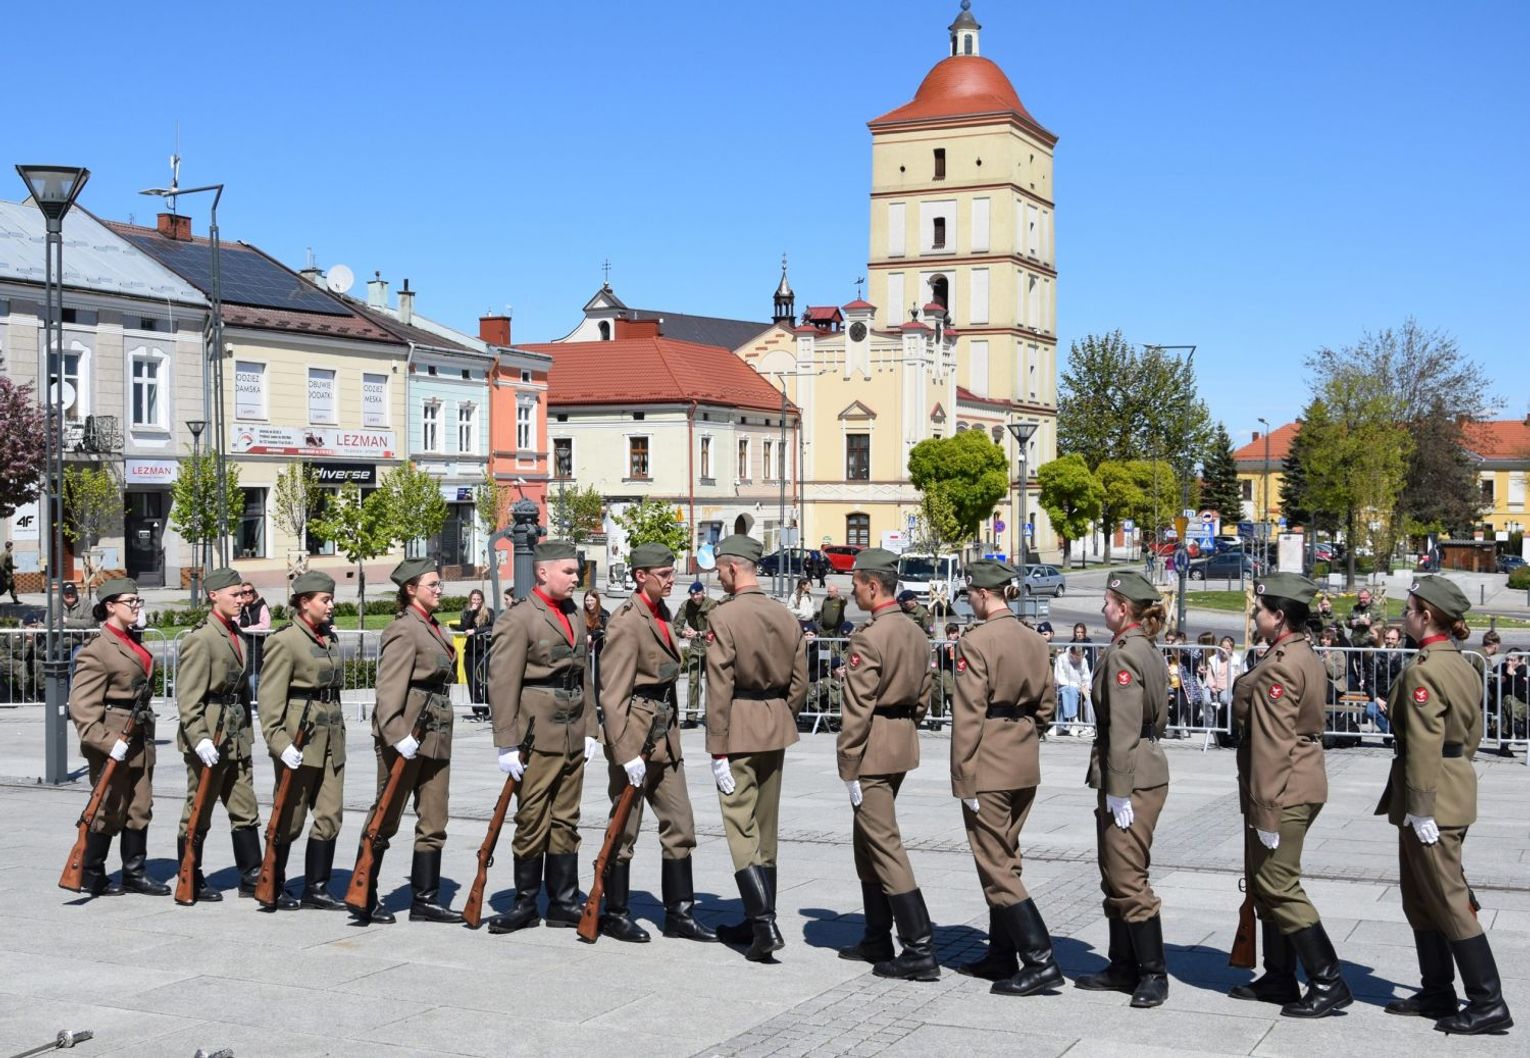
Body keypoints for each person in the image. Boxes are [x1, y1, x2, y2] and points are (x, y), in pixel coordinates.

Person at [1375, 576, 1513, 1035]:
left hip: (1430, 797)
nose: (1404, 616)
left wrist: (1421, 806)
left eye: (1409, 609)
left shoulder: (1425, 671)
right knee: (1421, 897)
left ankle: (1488, 1001)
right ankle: (1436, 990)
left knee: (1449, 898)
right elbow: (1470, 737)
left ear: (1427, 615)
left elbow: (1422, 743)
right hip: (1450, 786)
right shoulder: (1462, 664)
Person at [1228, 573, 1351, 1017]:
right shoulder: (1297, 652)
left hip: (1285, 786)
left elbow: (1273, 744)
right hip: (1298, 779)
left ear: (1279, 616)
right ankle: (1279, 976)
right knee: (1266, 882)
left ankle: (1328, 980)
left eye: (1259, 610)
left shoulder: (1281, 664)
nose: (1254, 615)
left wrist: (1265, 809)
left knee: (1279, 884)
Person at [593, 543, 717, 944]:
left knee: (680, 824)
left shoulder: (662, 614)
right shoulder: (626, 622)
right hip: (635, 735)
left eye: (671, 572)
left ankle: (680, 914)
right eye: (663, 574)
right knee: (624, 828)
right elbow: (612, 694)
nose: (671, 580)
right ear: (640, 576)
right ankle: (615, 913)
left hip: (664, 734)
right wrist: (623, 751)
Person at [950, 560, 1062, 997]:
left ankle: (1040, 959)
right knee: (1007, 855)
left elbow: (968, 714)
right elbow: (1047, 704)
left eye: (970, 595)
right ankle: (1001, 953)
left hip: (990, 759)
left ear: (982, 594)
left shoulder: (976, 641)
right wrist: (1026, 734)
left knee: (994, 863)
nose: (970, 602)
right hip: (1022, 756)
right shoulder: (1033, 638)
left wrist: (963, 775)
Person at [485, 541, 600, 935]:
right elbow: (502, 681)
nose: (575, 578)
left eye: (576, 571)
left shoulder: (574, 614)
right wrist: (506, 742)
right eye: (568, 571)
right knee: (533, 817)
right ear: (542, 572)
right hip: (536, 732)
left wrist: (591, 727)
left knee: (566, 817)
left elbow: (584, 675)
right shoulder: (519, 618)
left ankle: (564, 901)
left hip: (572, 729)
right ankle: (525, 902)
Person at [704, 534, 808, 962]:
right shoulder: (784, 614)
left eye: (720, 570)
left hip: (739, 726)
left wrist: (717, 746)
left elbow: (719, 685)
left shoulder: (723, 616)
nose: (718, 577)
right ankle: (756, 919)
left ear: (733, 568)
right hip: (775, 723)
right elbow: (799, 680)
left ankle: (764, 925)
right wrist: (781, 713)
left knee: (739, 824)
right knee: (766, 827)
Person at [835, 548, 937, 981]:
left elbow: (858, 707)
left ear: (873, 586)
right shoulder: (915, 632)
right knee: (866, 841)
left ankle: (919, 947)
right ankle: (876, 935)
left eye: (856, 584)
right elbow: (925, 694)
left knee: (884, 843)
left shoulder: (869, 637)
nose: (853, 592)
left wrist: (848, 761)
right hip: (899, 742)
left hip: (872, 748)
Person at [1075, 570, 1170, 1009]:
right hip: (1139, 768)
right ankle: (1122, 965)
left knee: (1128, 876)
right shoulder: (1142, 647)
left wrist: (1118, 788)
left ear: (1124, 608)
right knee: (1114, 870)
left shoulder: (1125, 654)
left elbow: (1126, 727)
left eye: (1108, 602)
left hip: (1131, 774)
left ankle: (1152, 973)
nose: (1103, 609)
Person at [352, 558, 463, 925]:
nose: (439, 589)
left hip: (435, 732)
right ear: (411, 589)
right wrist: (397, 734)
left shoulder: (434, 627)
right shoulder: (404, 629)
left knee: (434, 817)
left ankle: (425, 899)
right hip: (406, 733)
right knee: (386, 814)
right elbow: (388, 689)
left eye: (439, 583)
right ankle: (363, 893)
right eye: (432, 584)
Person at [68, 578, 166, 897]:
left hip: (140, 734)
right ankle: (91, 872)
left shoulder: (133, 640)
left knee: (140, 805)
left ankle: (134, 873)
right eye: (130, 602)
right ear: (110, 606)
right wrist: (108, 741)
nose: (136, 607)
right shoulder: (97, 650)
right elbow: (82, 707)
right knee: (108, 806)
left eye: (138, 601)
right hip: (113, 737)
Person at [256, 571, 347, 911]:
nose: (331, 605)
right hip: (299, 739)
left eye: (331, 599)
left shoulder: (328, 638)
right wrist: (280, 744)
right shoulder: (285, 641)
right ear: (305, 602)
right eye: (325, 600)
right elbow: (270, 702)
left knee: (330, 814)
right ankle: (274, 883)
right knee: (289, 817)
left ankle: (317, 888)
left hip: (331, 737)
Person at [176, 567, 262, 903]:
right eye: (235, 595)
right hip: (210, 734)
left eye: (242, 594)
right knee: (199, 807)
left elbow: (240, 691)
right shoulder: (201, 638)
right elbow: (188, 696)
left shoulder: (235, 633)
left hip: (235, 734)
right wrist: (199, 738)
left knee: (245, 806)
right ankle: (190, 876)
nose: (241, 600)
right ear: (214, 596)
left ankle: (252, 877)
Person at [676, 579, 717, 724]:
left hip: (712, 647)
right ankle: (691, 717)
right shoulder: (686, 605)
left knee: (714, 683)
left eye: (697, 594)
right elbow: (676, 626)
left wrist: (699, 633)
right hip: (696, 648)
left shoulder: (712, 605)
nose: (695, 597)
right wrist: (683, 633)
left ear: (703, 593)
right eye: (692, 595)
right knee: (693, 681)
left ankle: (712, 715)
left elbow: (717, 627)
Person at [237, 581, 272, 708]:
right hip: (243, 648)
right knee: (243, 681)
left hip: (257, 649)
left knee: (253, 680)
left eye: (250, 591)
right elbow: (235, 623)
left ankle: (257, 707)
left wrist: (247, 629)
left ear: (254, 592)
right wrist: (241, 606)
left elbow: (265, 626)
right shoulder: (239, 608)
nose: (248, 594)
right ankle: (249, 707)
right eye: (244, 592)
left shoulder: (261, 606)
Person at [459, 589, 494, 717]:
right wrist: (472, 611)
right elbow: (464, 627)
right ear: (470, 600)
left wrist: (475, 631)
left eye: (478, 599)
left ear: (482, 600)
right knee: (472, 681)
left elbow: (492, 626)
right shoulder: (466, 612)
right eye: (474, 599)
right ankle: (477, 708)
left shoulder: (488, 612)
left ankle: (486, 707)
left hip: (484, 650)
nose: (476, 602)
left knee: (485, 681)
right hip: (470, 650)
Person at [1368, 626, 1405, 737]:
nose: (1390, 641)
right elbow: (1369, 681)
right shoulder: (1376, 657)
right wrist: (1376, 698)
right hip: (1381, 697)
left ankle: (1393, 736)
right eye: (1387, 638)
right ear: (1384, 639)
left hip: (1399, 698)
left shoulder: (1406, 658)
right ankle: (1392, 734)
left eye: (1393, 639)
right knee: (1370, 710)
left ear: (1399, 640)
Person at [1054, 643, 1091, 734]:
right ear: (1071, 654)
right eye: (1076, 658)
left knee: (1073, 693)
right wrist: (1076, 685)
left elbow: (1086, 677)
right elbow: (1059, 677)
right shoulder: (1062, 658)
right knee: (1069, 691)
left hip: (1079, 687)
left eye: (1080, 658)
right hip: (1062, 686)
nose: (1079, 660)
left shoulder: (1084, 660)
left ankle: (1061, 726)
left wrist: (1085, 685)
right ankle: (1074, 720)